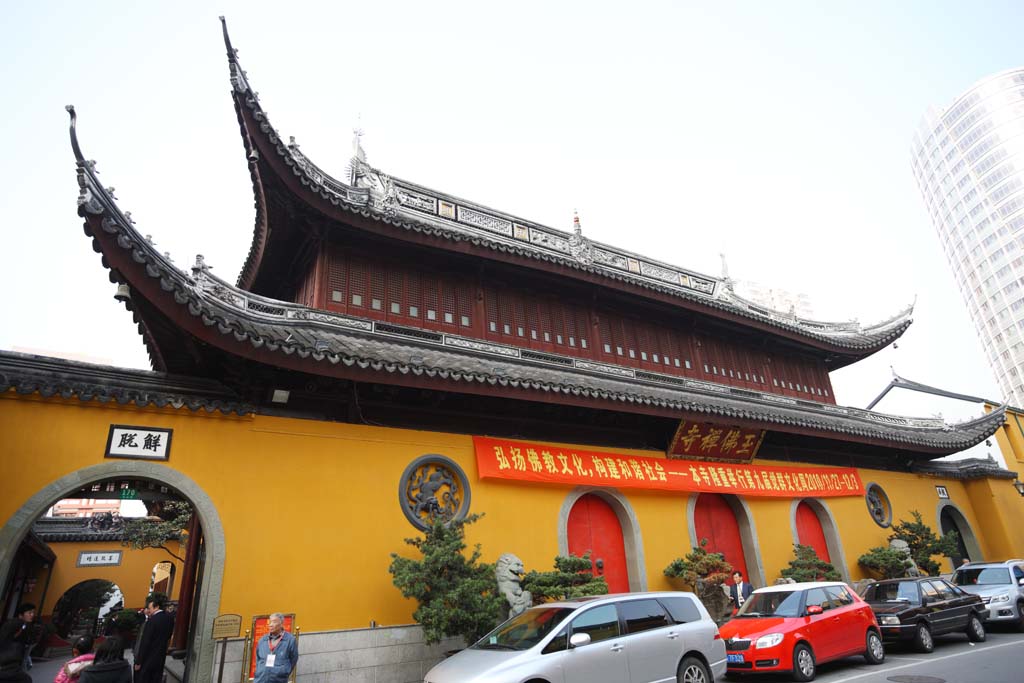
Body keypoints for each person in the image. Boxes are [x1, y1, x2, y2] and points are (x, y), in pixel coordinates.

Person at [132, 595, 174, 683]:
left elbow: (145, 642)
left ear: (156, 607)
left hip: (148, 657)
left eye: (150, 608)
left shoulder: (151, 621)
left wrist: (139, 661)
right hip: (161, 655)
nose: (149, 610)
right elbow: (169, 635)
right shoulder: (169, 619)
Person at [253, 614, 298, 683]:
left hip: (278, 679)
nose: (270, 625)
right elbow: (258, 658)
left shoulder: (290, 640)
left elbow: (293, 659)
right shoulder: (263, 640)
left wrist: (284, 671)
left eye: (274, 622)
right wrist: (260, 669)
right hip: (261, 679)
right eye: (270, 622)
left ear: (281, 624)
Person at [0, 603, 38, 681]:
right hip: (8, 665)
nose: (32, 615)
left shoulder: (12, 623)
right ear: (21, 615)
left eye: (33, 612)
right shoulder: (20, 624)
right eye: (29, 613)